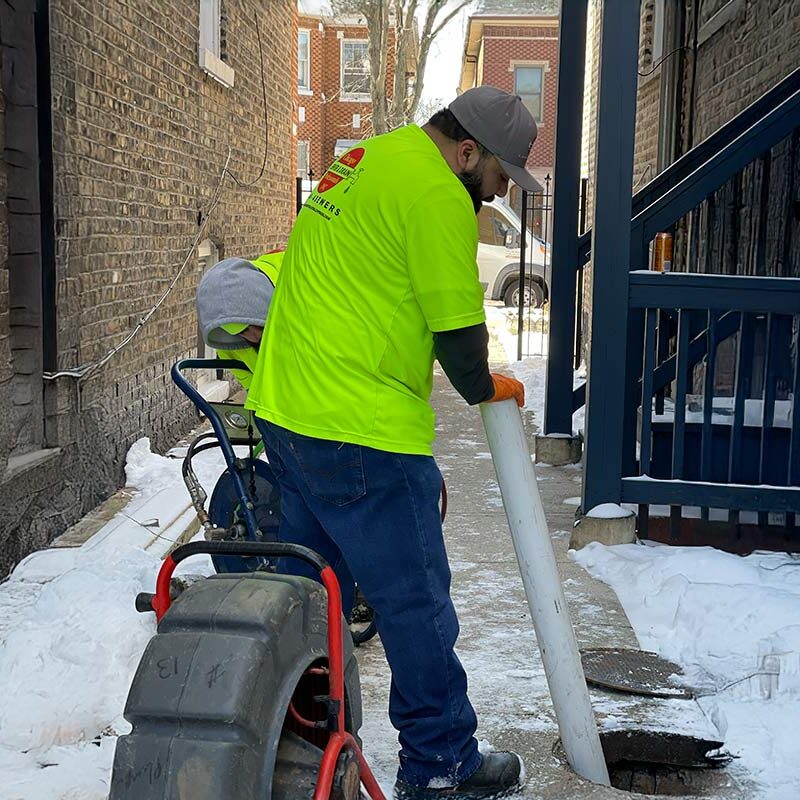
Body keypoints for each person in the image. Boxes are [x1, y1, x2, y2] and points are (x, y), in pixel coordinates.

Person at [246, 86, 534, 799]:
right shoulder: (437, 192)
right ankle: (441, 763)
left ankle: (303, 750)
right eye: (498, 178)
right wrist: (484, 386)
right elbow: (461, 341)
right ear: (467, 151)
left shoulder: (364, 158)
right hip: (361, 430)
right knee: (416, 604)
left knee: (317, 594)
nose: (496, 195)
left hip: (287, 411)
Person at [195, 250, 283, 387]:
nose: (254, 337)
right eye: (242, 332)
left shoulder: (301, 280)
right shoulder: (227, 342)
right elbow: (253, 387)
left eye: (257, 325)